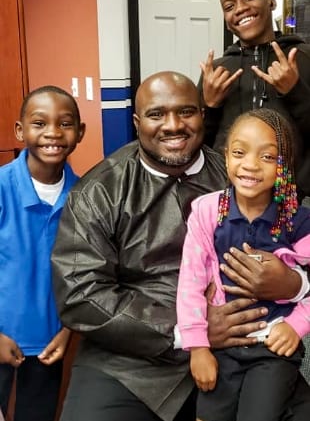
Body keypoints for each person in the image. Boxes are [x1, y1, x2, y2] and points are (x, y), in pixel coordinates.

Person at [52, 71, 309, 421]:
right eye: (157, 114)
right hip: (131, 360)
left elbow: (296, 237)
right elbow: (80, 294)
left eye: (186, 112)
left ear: (202, 115)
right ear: (137, 122)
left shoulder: (240, 173)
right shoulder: (100, 191)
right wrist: (186, 331)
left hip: (245, 346)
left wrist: (294, 284)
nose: (173, 125)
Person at [177, 108, 310, 421]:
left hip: (272, 347)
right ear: (226, 157)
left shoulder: (297, 220)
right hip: (221, 344)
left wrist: (296, 325)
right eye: (239, 152)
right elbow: (190, 283)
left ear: (284, 166)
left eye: (267, 157)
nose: (250, 165)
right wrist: (197, 347)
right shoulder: (207, 212)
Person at [0, 85, 85, 421]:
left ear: (80, 132)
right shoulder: (3, 187)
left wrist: (68, 330)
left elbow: (87, 273)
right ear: (20, 131)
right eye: (39, 123)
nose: (52, 132)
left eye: (65, 123)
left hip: (50, 345)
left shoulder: (84, 196)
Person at [198, 0, 310, 203]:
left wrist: (295, 92)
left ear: (271, 2)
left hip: (294, 201)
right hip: (229, 201)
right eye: (229, 6)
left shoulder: (303, 57)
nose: (240, 8)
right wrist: (210, 106)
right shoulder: (217, 71)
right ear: (227, 21)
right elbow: (199, 146)